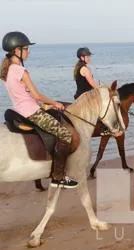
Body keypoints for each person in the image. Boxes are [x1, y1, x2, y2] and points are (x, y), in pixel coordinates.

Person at [0, 31, 78, 188]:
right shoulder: (22, 71)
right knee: (66, 135)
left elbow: (24, 95)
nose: (28, 52)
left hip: (19, 111)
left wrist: (44, 105)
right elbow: (37, 95)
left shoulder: (7, 71)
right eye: (26, 49)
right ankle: (58, 176)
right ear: (17, 51)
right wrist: (54, 103)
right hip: (32, 113)